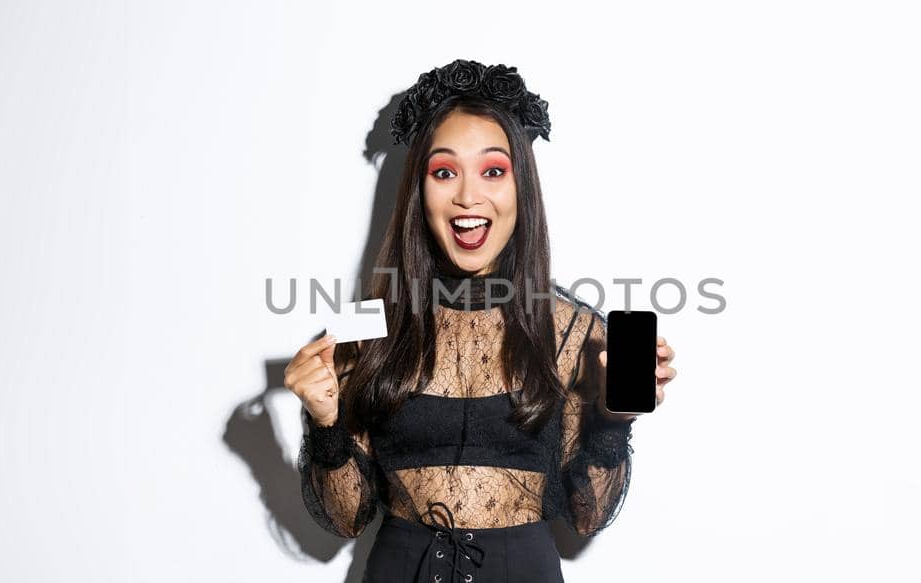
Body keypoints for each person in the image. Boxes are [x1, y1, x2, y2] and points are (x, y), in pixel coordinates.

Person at [282, 59, 679, 583]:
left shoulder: (575, 331)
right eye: (444, 172)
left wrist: (612, 419)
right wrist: (325, 423)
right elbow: (344, 521)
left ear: (522, 190)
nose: (468, 196)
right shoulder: (363, 330)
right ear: (418, 194)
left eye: (493, 170)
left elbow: (588, 516)